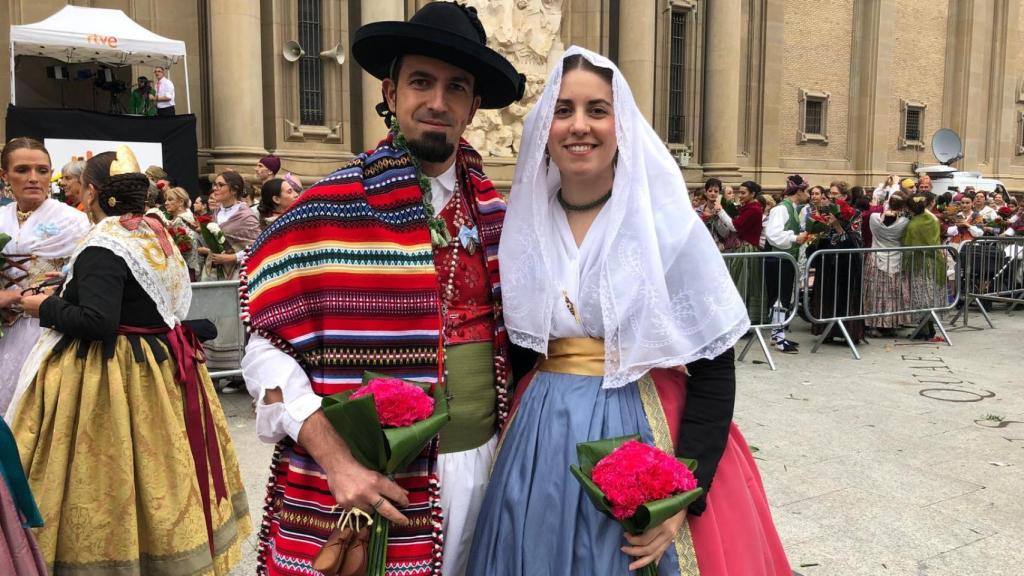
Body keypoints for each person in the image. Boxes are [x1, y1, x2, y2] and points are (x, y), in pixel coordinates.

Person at [468, 46, 789, 576]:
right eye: (564, 109)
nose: (580, 126)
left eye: (598, 109)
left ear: (623, 125)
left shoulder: (667, 227)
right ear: (545, 125)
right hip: (540, 441)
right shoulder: (520, 227)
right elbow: (520, 352)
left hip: (644, 428)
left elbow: (714, 364)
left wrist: (686, 491)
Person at [240, 3, 525, 575]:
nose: (438, 102)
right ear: (392, 94)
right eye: (422, 82)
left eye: (457, 87)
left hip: (488, 470)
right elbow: (266, 349)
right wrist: (337, 461)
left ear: (473, 108)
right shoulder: (325, 211)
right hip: (363, 480)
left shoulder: (502, 217)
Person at [9, 146, 250, 574]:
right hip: (161, 365)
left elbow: (99, 321)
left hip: (112, 373)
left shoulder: (104, 244)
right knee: (163, 473)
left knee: (109, 476)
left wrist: (40, 308)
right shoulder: (152, 230)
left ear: (94, 191)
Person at [0, 138, 90, 414]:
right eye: (22, 170)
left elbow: (86, 278)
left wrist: (59, 288)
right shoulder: (1, 216)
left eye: (42, 170)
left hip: (47, 327)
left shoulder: (73, 221)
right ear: (5, 176)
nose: (33, 178)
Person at [197, 171, 259, 373]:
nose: (215, 189)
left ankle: (235, 371)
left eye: (220, 185)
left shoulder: (246, 214)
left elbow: (256, 245)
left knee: (230, 320)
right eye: (214, 185)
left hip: (235, 272)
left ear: (233, 189)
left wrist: (232, 257)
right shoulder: (216, 214)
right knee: (212, 316)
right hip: (213, 269)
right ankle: (212, 366)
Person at [805, 185, 865, 343]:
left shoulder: (854, 214)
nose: (831, 196)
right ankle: (827, 330)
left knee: (845, 297)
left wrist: (838, 225)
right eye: (830, 193)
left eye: (835, 194)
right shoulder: (824, 211)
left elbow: (856, 241)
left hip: (848, 263)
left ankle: (849, 332)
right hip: (828, 262)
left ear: (844, 196)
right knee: (827, 294)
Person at [763, 174, 810, 353]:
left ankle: (778, 334)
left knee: (782, 297)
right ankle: (779, 336)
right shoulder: (781, 209)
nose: (808, 194)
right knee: (779, 298)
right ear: (798, 191)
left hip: (786, 258)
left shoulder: (792, 208)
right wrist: (794, 237)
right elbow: (773, 234)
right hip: (779, 259)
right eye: (805, 190)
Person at [864, 195, 911, 335]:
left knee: (875, 292)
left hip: (876, 257)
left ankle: (872, 323)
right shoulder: (905, 221)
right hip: (895, 258)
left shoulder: (874, 218)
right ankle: (891, 323)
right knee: (893, 293)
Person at [902, 193, 946, 341]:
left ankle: (926, 329)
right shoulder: (930, 218)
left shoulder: (916, 222)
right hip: (933, 261)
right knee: (929, 294)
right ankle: (927, 328)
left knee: (923, 295)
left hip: (921, 263)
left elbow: (909, 242)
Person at [164, 186, 202, 280]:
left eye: (170, 200)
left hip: (184, 270)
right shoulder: (190, 217)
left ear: (181, 202)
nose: (166, 203)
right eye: (166, 200)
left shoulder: (179, 221)